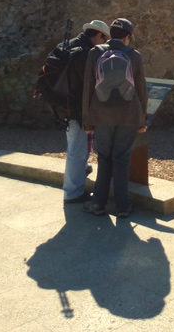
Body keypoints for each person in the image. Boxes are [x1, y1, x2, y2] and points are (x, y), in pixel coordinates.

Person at [82, 18, 148, 218]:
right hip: (128, 116)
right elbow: (141, 90)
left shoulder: (95, 53)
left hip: (101, 115)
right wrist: (142, 120)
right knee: (122, 159)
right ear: (127, 36)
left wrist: (87, 121)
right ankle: (122, 206)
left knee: (104, 159)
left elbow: (88, 87)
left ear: (110, 34)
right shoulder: (134, 55)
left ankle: (97, 204)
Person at [61, 19, 111, 204]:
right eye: (104, 40)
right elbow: (89, 85)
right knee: (77, 150)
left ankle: (78, 178)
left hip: (65, 105)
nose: (104, 45)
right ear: (98, 35)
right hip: (76, 108)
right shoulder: (85, 53)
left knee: (76, 146)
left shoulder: (70, 45)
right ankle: (73, 193)